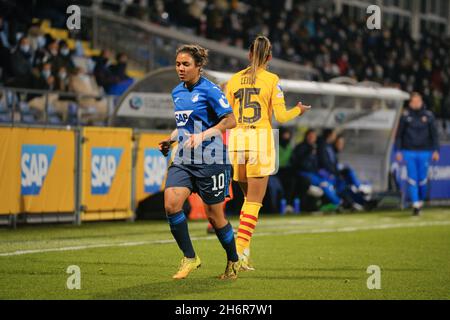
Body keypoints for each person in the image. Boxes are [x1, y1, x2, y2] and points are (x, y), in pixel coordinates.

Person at [225, 36, 310, 270]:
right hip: (259, 141)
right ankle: (239, 251)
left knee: (246, 200)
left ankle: (245, 251)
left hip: (237, 142)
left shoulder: (232, 81)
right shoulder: (272, 80)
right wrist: (299, 111)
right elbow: (281, 117)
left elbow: (226, 116)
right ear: (269, 57)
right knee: (254, 202)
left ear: (249, 55)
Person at [158, 44, 241, 280]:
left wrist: (203, 136)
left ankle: (233, 260)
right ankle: (190, 257)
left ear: (198, 66)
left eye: (186, 64)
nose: (180, 68)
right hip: (184, 158)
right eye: (178, 64)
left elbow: (231, 120)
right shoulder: (177, 92)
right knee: (171, 204)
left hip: (211, 159)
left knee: (214, 216)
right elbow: (184, 125)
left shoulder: (211, 90)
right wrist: (171, 139)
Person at [395, 92, 440, 216]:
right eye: (413, 101)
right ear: (410, 103)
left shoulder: (428, 116)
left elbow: (434, 135)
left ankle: (420, 200)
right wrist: (398, 151)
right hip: (409, 151)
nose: (415, 104)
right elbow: (399, 135)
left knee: (422, 180)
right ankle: (415, 203)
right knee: (412, 179)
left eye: (417, 101)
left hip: (424, 152)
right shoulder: (405, 116)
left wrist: (436, 150)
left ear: (421, 102)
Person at [291, 129, 341, 212]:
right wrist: (308, 152)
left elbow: (317, 164)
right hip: (304, 173)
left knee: (330, 182)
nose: (312, 138)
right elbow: (299, 163)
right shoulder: (301, 147)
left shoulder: (315, 148)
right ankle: (338, 202)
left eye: (314, 137)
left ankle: (334, 202)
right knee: (324, 184)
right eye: (310, 136)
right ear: (306, 137)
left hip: (314, 174)